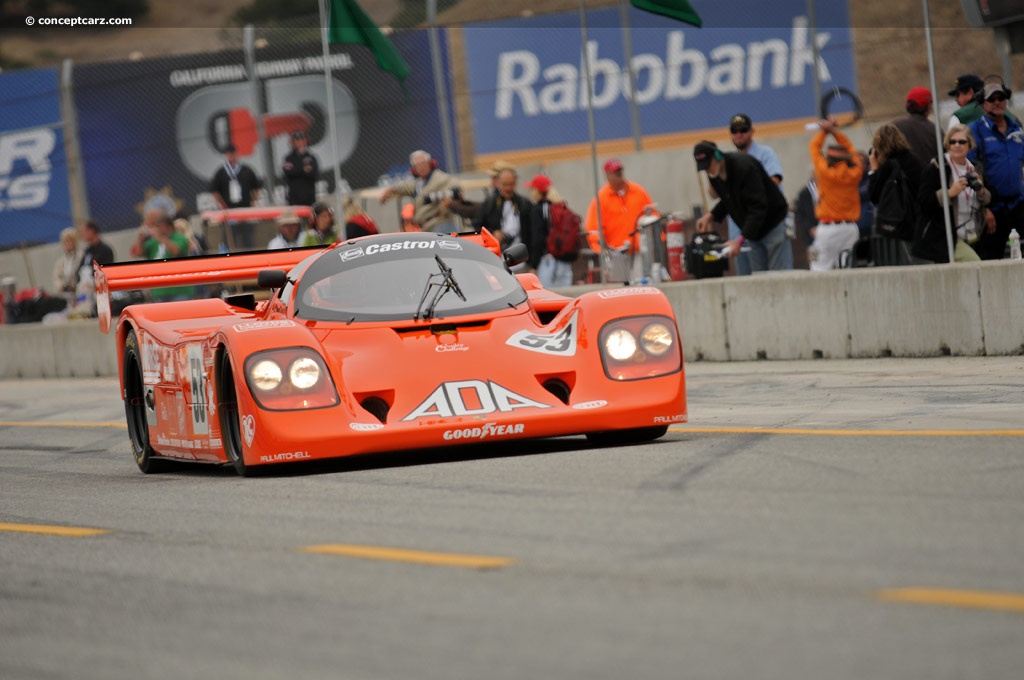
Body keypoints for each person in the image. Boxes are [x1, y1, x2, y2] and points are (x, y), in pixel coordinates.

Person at [693, 141, 792, 272]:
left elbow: (758, 206)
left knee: (780, 277)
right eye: (703, 168)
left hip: (772, 223)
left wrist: (740, 240)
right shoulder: (714, 174)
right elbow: (728, 199)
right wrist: (711, 215)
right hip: (753, 232)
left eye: (708, 165)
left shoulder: (744, 166)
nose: (707, 170)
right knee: (759, 279)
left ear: (717, 157)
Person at [914, 125, 989, 264]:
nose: (956, 145)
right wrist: (949, 193)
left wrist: (981, 191)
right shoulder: (937, 167)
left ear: (970, 144)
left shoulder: (974, 167)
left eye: (961, 142)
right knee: (976, 264)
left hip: (973, 233)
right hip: (946, 237)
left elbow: (989, 197)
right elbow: (923, 201)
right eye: (952, 142)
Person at [967, 79, 1024, 260]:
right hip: (993, 208)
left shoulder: (1016, 127)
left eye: (1001, 98)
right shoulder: (975, 130)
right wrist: (985, 208)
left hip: (1018, 203)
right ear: (983, 103)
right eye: (992, 99)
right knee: (991, 258)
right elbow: (970, 169)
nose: (997, 102)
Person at [725, 113, 785, 276]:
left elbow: (774, 182)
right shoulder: (729, 161)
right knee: (747, 280)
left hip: (767, 225)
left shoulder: (765, 154)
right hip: (740, 232)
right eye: (734, 131)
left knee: (778, 277)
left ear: (752, 131)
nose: (739, 134)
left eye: (743, 130)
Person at [584, 158, 658, 282]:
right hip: (616, 254)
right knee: (618, 287)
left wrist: (657, 241)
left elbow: (652, 215)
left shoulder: (638, 191)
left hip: (639, 251)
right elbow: (593, 228)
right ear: (607, 175)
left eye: (619, 171)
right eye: (614, 172)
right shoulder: (601, 198)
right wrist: (601, 250)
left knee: (641, 284)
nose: (619, 175)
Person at [807, 116, 863, 270]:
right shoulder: (855, 173)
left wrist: (825, 131)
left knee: (818, 270)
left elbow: (814, 147)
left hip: (828, 229)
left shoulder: (825, 172)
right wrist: (835, 132)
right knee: (847, 269)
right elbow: (850, 149)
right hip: (850, 229)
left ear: (830, 159)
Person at [867, 124, 924, 264]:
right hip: (920, 220)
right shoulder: (914, 160)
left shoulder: (889, 166)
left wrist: (873, 170)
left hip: (900, 223)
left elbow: (874, 196)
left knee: (909, 263)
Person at [379, 150, 461, 232]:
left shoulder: (440, 178)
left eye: (423, 163)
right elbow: (407, 187)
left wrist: (447, 204)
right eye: (418, 165)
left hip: (440, 224)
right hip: (426, 227)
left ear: (430, 164)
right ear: (414, 169)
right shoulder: (420, 183)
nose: (421, 167)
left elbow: (457, 190)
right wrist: (392, 190)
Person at [473, 167, 534, 257]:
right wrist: (492, 234)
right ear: (498, 184)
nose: (508, 188)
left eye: (511, 184)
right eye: (505, 185)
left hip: (522, 255)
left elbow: (533, 232)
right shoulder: (489, 204)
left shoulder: (525, 204)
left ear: (515, 183)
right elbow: (478, 226)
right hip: (496, 256)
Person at [210, 144, 262, 249]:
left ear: (237, 154)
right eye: (228, 154)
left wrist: (252, 203)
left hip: (245, 209)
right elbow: (214, 191)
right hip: (229, 210)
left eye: (233, 153)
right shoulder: (221, 172)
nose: (231, 156)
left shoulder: (246, 170)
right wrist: (223, 205)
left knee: (247, 238)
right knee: (228, 238)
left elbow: (256, 188)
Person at [526, 174, 574, 288]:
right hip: (565, 261)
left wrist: (534, 265)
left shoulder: (537, 210)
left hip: (547, 261)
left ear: (537, 191)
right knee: (565, 299)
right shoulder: (560, 207)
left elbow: (538, 240)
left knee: (548, 299)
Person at [138, 213, 196, 301]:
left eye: (160, 226)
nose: (158, 229)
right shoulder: (153, 241)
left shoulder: (180, 238)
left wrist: (161, 238)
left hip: (180, 289)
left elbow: (175, 251)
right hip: (159, 290)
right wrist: (140, 239)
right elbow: (138, 252)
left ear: (169, 226)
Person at [892, 87, 940, 166]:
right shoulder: (935, 131)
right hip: (930, 177)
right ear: (928, 107)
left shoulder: (893, 126)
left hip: (899, 177)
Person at [282, 130, 318, 207]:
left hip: (309, 197)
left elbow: (314, 174)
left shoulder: (311, 157)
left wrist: (295, 169)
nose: (300, 142)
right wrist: (303, 169)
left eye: (302, 139)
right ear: (292, 142)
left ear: (306, 141)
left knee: (310, 216)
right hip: (294, 197)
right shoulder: (289, 158)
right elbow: (288, 173)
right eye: (297, 140)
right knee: (295, 217)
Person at [52, 227, 79, 300]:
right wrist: (62, 286)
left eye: (70, 241)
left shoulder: (81, 257)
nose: (68, 243)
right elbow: (57, 277)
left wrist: (74, 286)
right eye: (66, 241)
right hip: (64, 293)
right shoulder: (60, 262)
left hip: (78, 292)